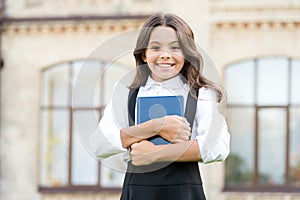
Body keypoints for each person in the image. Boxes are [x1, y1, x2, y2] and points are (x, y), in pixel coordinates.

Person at [90, 13, 230, 200]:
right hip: (138, 192)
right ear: (144, 54)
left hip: (184, 193)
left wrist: (155, 154)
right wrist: (156, 126)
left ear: (186, 54)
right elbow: (99, 144)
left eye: (175, 47)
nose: (165, 55)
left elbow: (217, 146)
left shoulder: (201, 94)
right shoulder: (125, 93)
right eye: (156, 47)